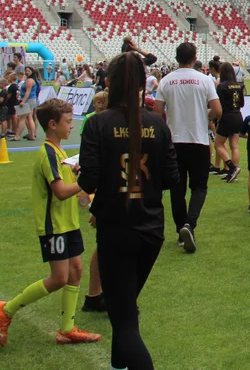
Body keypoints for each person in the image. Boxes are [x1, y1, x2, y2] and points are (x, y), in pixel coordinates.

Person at [78, 52, 180, 370]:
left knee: (124, 321)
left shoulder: (98, 124)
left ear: (109, 83)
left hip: (116, 229)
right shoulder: (157, 125)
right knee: (126, 308)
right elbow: (172, 179)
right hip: (151, 228)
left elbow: (89, 179)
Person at [0, 98, 101, 347]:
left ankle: (67, 329)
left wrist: (77, 174)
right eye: (68, 122)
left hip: (68, 222)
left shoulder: (60, 151)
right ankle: (5, 310)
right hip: (55, 226)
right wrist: (86, 183)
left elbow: (67, 186)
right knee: (59, 278)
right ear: (52, 124)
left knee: (76, 271)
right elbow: (60, 192)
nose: (72, 126)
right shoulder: (47, 153)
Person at [154, 41, 221, 254]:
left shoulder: (166, 80)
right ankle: (189, 224)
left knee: (177, 189)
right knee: (199, 187)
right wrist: (203, 115)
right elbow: (217, 110)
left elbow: (157, 113)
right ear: (194, 58)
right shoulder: (204, 80)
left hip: (174, 141)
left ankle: (180, 230)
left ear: (176, 58)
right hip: (198, 140)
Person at [214, 63, 245, 184]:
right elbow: (241, 103)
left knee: (218, 144)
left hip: (227, 117)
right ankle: (233, 174)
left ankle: (232, 167)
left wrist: (217, 118)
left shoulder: (221, 86)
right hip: (238, 115)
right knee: (234, 146)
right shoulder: (238, 85)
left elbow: (219, 104)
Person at [16, 67, 42, 142]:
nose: (26, 72)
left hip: (29, 99)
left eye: (28, 71)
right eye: (26, 71)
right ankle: (32, 135)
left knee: (22, 118)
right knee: (29, 117)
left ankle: (18, 136)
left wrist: (23, 101)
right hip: (31, 99)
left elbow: (28, 92)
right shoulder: (30, 80)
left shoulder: (30, 80)